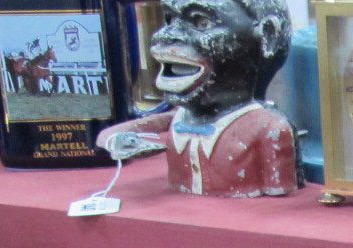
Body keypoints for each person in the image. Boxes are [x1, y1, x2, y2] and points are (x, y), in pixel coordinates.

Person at [95, 0, 298, 199]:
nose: (165, 34)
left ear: (268, 37)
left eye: (201, 23)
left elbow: (278, 193)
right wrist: (117, 141)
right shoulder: (181, 116)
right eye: (170, 19)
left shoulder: (269, 128)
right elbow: (109, 134)